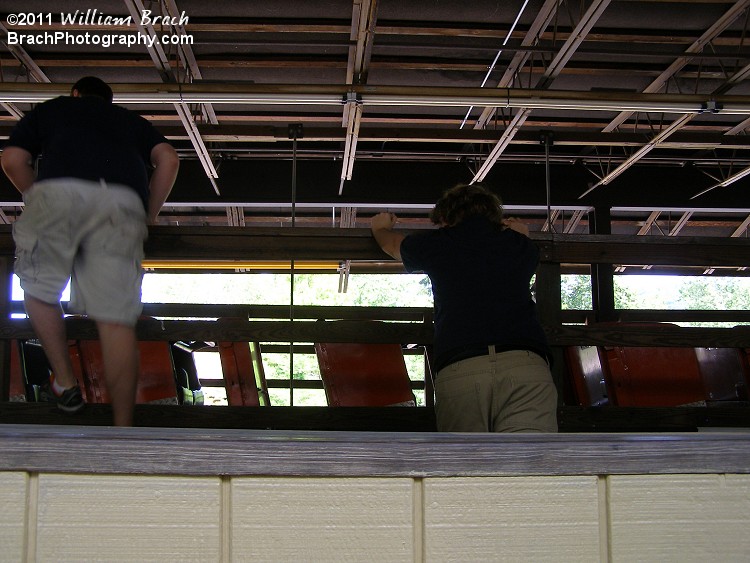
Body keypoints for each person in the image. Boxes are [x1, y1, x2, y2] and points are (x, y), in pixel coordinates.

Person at [1, 76, 179, 426]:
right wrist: (148, 215)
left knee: (38, 290)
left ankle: (66, 382)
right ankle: (122, 429)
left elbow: (11, 159)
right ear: (107, 100)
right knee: (115, 321)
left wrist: (35, 194)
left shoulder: (52, 110)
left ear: (75, 94)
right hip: (120, 203)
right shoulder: (131, 121)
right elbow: (169, 160)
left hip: (56, 194)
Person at [370, 183, 557, 432]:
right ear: (494, 217)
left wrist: (380, 227)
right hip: (525, 362)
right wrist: (520, 234)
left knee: (467, 466)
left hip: (462, 365)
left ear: (445, 218)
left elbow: (392, 246)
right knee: (527, 464)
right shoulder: (519, 245)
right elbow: (523, 251)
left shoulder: (439, 243)